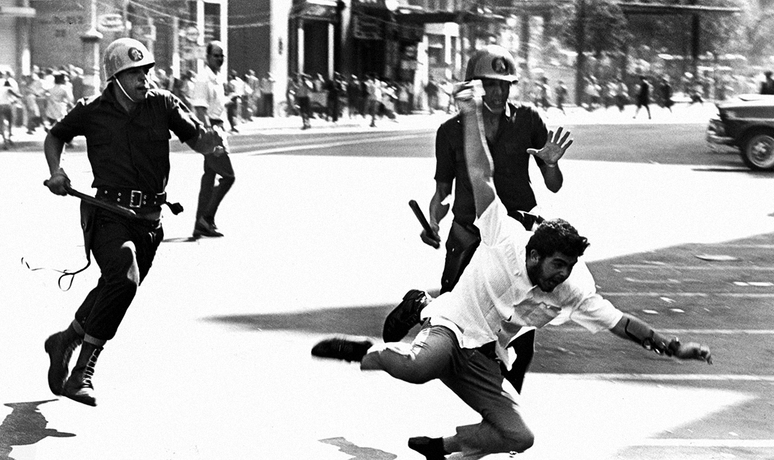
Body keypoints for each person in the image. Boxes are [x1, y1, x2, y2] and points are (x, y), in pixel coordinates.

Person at [311, 79, 713, 459]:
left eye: (569, 267)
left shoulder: (572, 286)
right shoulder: (504, 237)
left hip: (486, 354)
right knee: (420, 367)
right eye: (558, 265)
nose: (562, 276)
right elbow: (479, 174)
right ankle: (365, 350)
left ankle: (445, 446)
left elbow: (620, 323)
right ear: (534, 256)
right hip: (452, 329)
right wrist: (469, 112)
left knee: (520, 436)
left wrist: (673, 348)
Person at [42, 37, 225, 406]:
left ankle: (65, 338)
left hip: (150, 223)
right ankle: (82, 372)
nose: (145, 79)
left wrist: (211, 143)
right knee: (124, 278)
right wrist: (56, 172)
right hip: (107, 213)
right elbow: (55, 136)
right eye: (136, 73)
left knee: (114, 286)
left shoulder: (162, 103)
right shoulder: (92, 109)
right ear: (115, 77)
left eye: (146, 72)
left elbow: (195, 137)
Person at [381, 44, 571, 395]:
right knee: (452, 320)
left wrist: (552, 163)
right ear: (473, 86)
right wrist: (434, 222)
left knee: (522, 335)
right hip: (470, 233)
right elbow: (442, 192)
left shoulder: (529, 120)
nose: (498, 93)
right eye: (489, 84)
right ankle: (420, 305)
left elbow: (554, 185)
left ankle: (507, 410)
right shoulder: (452, 131)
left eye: (505, 85)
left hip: (519, 238)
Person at [191, 41, 237, 238]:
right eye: (216, 55)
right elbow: (200, 110)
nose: (220, 59)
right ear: (207, 57)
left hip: (219, 128)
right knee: (228, 177)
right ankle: (206, 218)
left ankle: (200, 224)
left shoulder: (217, 78)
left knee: (209, 178)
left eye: (222, 56)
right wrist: (211, 138)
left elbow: (214, 106)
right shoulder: (203, 79)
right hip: (212, 132)